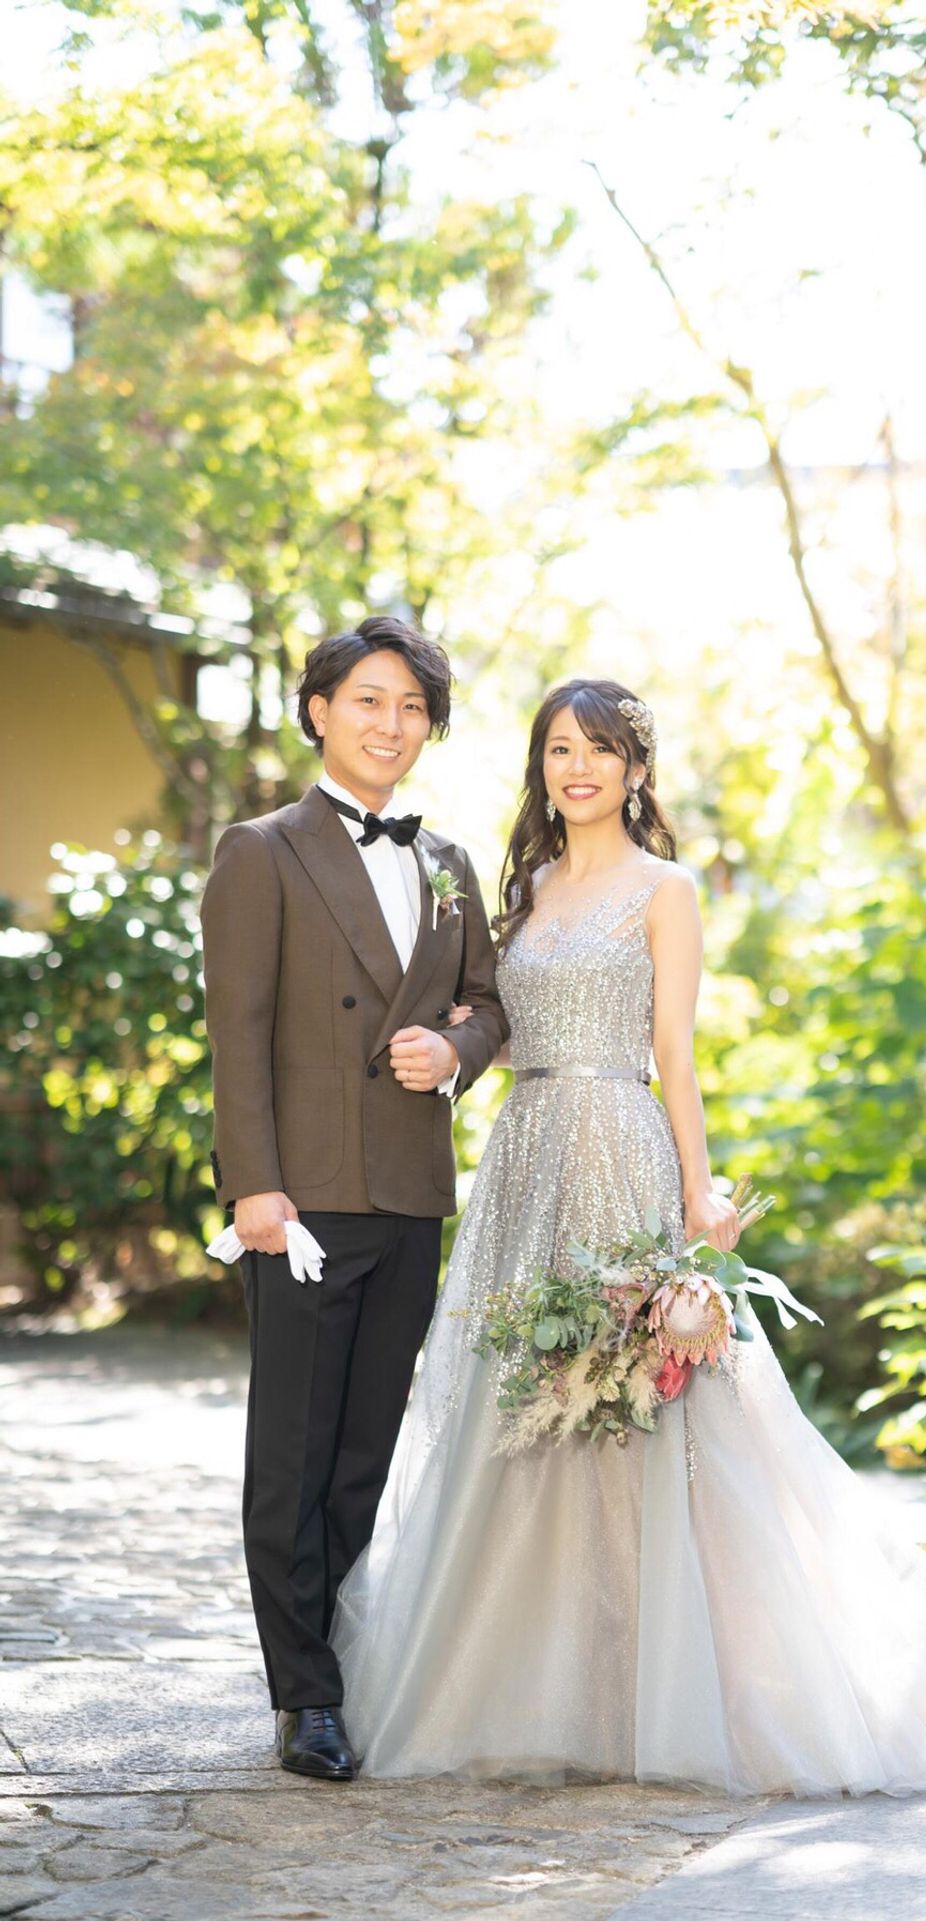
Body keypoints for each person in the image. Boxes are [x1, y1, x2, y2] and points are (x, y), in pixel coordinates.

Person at [330, 676, 926, 1794]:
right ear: (540, 767)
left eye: (599, 750)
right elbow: (516, 1028)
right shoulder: (525, 887)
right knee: (523, 1404)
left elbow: (674, 1049)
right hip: (522, 1159)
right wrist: (462, 1041)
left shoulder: (665, 889)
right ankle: (538, 1683)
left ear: (635, 770)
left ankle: (670, 1684)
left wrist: (698, 1200)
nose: (577, 768)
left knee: (641, 1406)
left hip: (619, 1147)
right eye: (559, 748)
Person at [200, 615, 506, 1781]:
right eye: (368, 700)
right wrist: (254, 1187)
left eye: (412, 707)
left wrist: (454, 1049)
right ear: (319, 710)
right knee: (292, 1452)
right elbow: (237, 1034)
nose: (391, 723)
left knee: (363, 1452)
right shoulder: (261, 850)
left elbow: (489, 1002)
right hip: (303, 1199)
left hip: (409, 1190)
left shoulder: (448, 862)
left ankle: (337, 1660)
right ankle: (306, 1697)